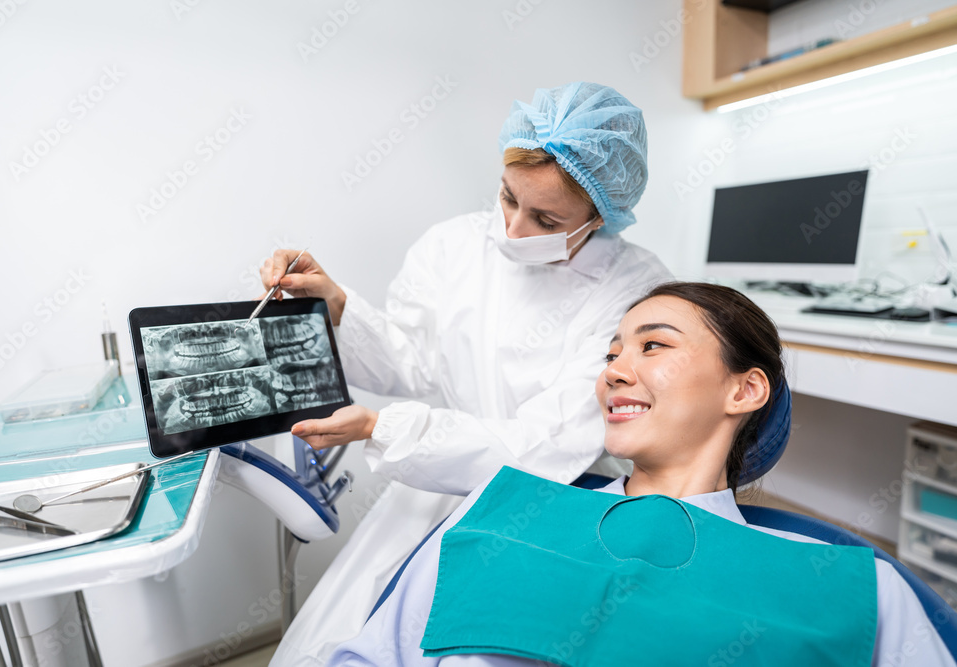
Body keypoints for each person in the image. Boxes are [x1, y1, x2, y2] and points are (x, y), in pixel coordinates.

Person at [329, 282, 957, 666]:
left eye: (652, 346)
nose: (615, 371)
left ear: (745, 388)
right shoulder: (491, 518)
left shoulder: (859, 590)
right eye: (611, 354)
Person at [265, 82, 673, 664]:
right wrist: (339, 309)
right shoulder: (453, 245)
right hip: (436, 481)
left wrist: (387, 429)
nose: (511, 228)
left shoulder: (635, 292)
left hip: (561, 496)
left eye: (545, 217)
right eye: (507, 198)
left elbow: (549, 442)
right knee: (344, 638)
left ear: (601, 213)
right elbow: (411, 363)